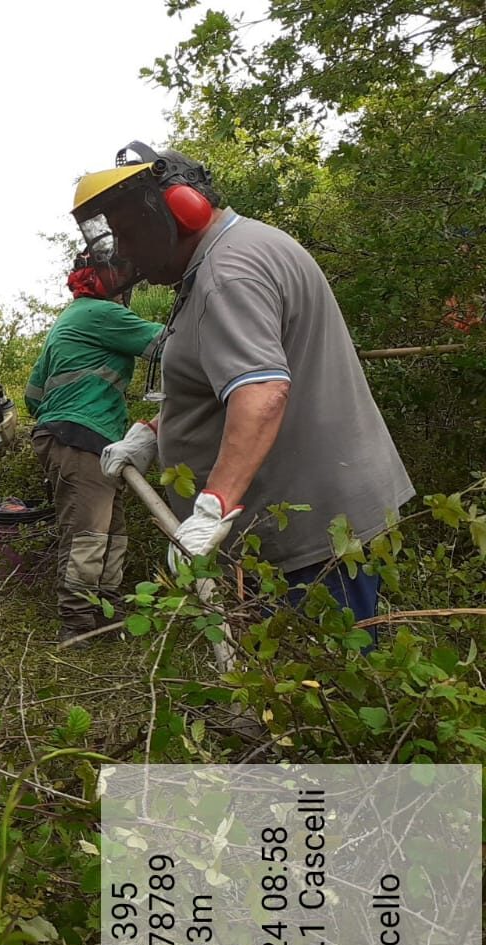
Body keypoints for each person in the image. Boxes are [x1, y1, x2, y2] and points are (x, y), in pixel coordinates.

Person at [78, 141, 413, 624]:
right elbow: (223, 381)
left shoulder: (227, 275)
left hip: (313, 537)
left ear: (180, 211)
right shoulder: (234, 253)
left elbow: (261, 393)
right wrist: (154, 433)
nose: (124, 250)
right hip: (319, 520)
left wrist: (212, 508)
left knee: (319, 680)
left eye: (129, 234)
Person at [25, 251, 164, 642]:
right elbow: (169, 346)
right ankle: (79, 627)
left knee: (111, 533)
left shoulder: (69, 318)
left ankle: (107, 619)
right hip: (83, 436)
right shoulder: (100, 313)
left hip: (78, 437)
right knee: (88, 534)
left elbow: (33, 395)